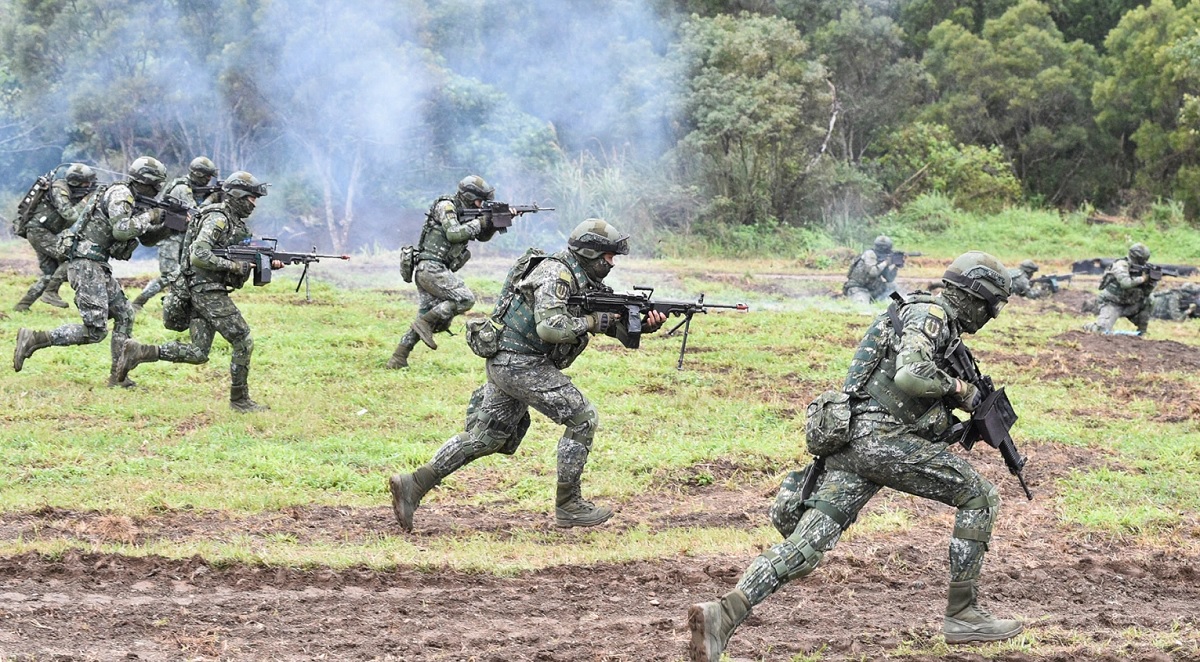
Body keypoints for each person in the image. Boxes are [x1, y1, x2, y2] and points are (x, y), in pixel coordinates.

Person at [687, 252, 1021, 662]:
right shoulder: (931, 315)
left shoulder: (926, 317)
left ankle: (722, 615)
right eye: (992, 306)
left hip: (854, 442)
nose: (991, 316)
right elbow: (911, 375)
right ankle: (963, 615)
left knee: (807, 546)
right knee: (980, 496)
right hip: (882, 441)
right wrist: (962, 391)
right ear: (975, 295)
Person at [388, 219, 667, 530]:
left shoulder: (583, 278)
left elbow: (612, 326)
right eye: (609, 256)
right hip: (519, 363)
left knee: (486, 438)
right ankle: (569, 505)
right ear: (590, 253)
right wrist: (592, 322)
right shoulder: (556, 274)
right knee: (582, 418)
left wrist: (643, 325)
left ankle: (413, 484)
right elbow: (550, 328)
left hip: (510, 362)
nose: (612, 264)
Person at [115, 172, 281, 413]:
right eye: (251, 198)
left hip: (201, 289)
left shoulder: (234, 222)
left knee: (198, 352)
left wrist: (267, 261)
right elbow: (199, 254)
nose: (254, 204)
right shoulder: (218, 218)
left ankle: (138, 352)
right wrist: (235, 267)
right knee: (242, 340)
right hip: (205, 290)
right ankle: (239, 400)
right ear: (238, 196)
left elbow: (242, 251)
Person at [13, 157, 173, 386]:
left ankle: (118, 377)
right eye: (157, 183)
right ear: (146, 182)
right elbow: (121, 231)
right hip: (86, 264)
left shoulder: (134, 200)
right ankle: (33, 339)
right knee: (95, 331)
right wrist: (150, 215)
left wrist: (169, 226)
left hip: (96, 264)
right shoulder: (121, 194)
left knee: (125, 315)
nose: (158, 188)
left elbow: (146, 239)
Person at [386, 175, 501, 368]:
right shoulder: (446, 206)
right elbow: (454, 234)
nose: (482, 205)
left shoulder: (465, 210)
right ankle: (425, 323)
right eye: (479, 200)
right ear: (469, 196)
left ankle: (398, 358)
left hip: (432, 269)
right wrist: (480, 222)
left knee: (424, 314)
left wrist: (495, 223)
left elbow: (482, 237)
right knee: (465, 299)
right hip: (431, 268)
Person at [131, 156, 220, 312]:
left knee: (184, 274)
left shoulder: (193, 189)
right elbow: (195, 214)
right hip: (169, 237)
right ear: (198, 174)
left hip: (182, 237)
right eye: (207, 176)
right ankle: (139, 302)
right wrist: (211, 199)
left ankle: (173, 304)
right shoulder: (182, 188)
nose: (208, 180)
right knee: (169, 275)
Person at [13, 164, 97, 311]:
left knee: (49, 274)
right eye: (86, 183)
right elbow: (71, 216)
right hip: (39, 232)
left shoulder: (70, 190)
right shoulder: (59, 189)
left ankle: (22, 306)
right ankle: (50, 293)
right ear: (76, 182)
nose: (89, 186)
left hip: (42, 233)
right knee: (73, 256)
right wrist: (87, 201)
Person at [1084, 243, 1157, 335]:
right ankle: (1089, 326)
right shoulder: (1121, 265)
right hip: (1112, 303)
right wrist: (1142, 279)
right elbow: (1125, 283)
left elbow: (1146, 293)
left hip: (1130, 303)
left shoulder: (1142, 269)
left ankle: (1142, 332)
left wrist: (1150, 283)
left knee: (1150, 299)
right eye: (1143, 259)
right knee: (1101, 331)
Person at [844, 235, 900, 304]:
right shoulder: (869, 254)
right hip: (859, 288)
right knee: (861, 306)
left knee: (893, 286)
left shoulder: (884, 258)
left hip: (874, 289)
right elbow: (873, 272)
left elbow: (889, 279)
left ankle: (902, 305)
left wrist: (896, 266)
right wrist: (886, 262)